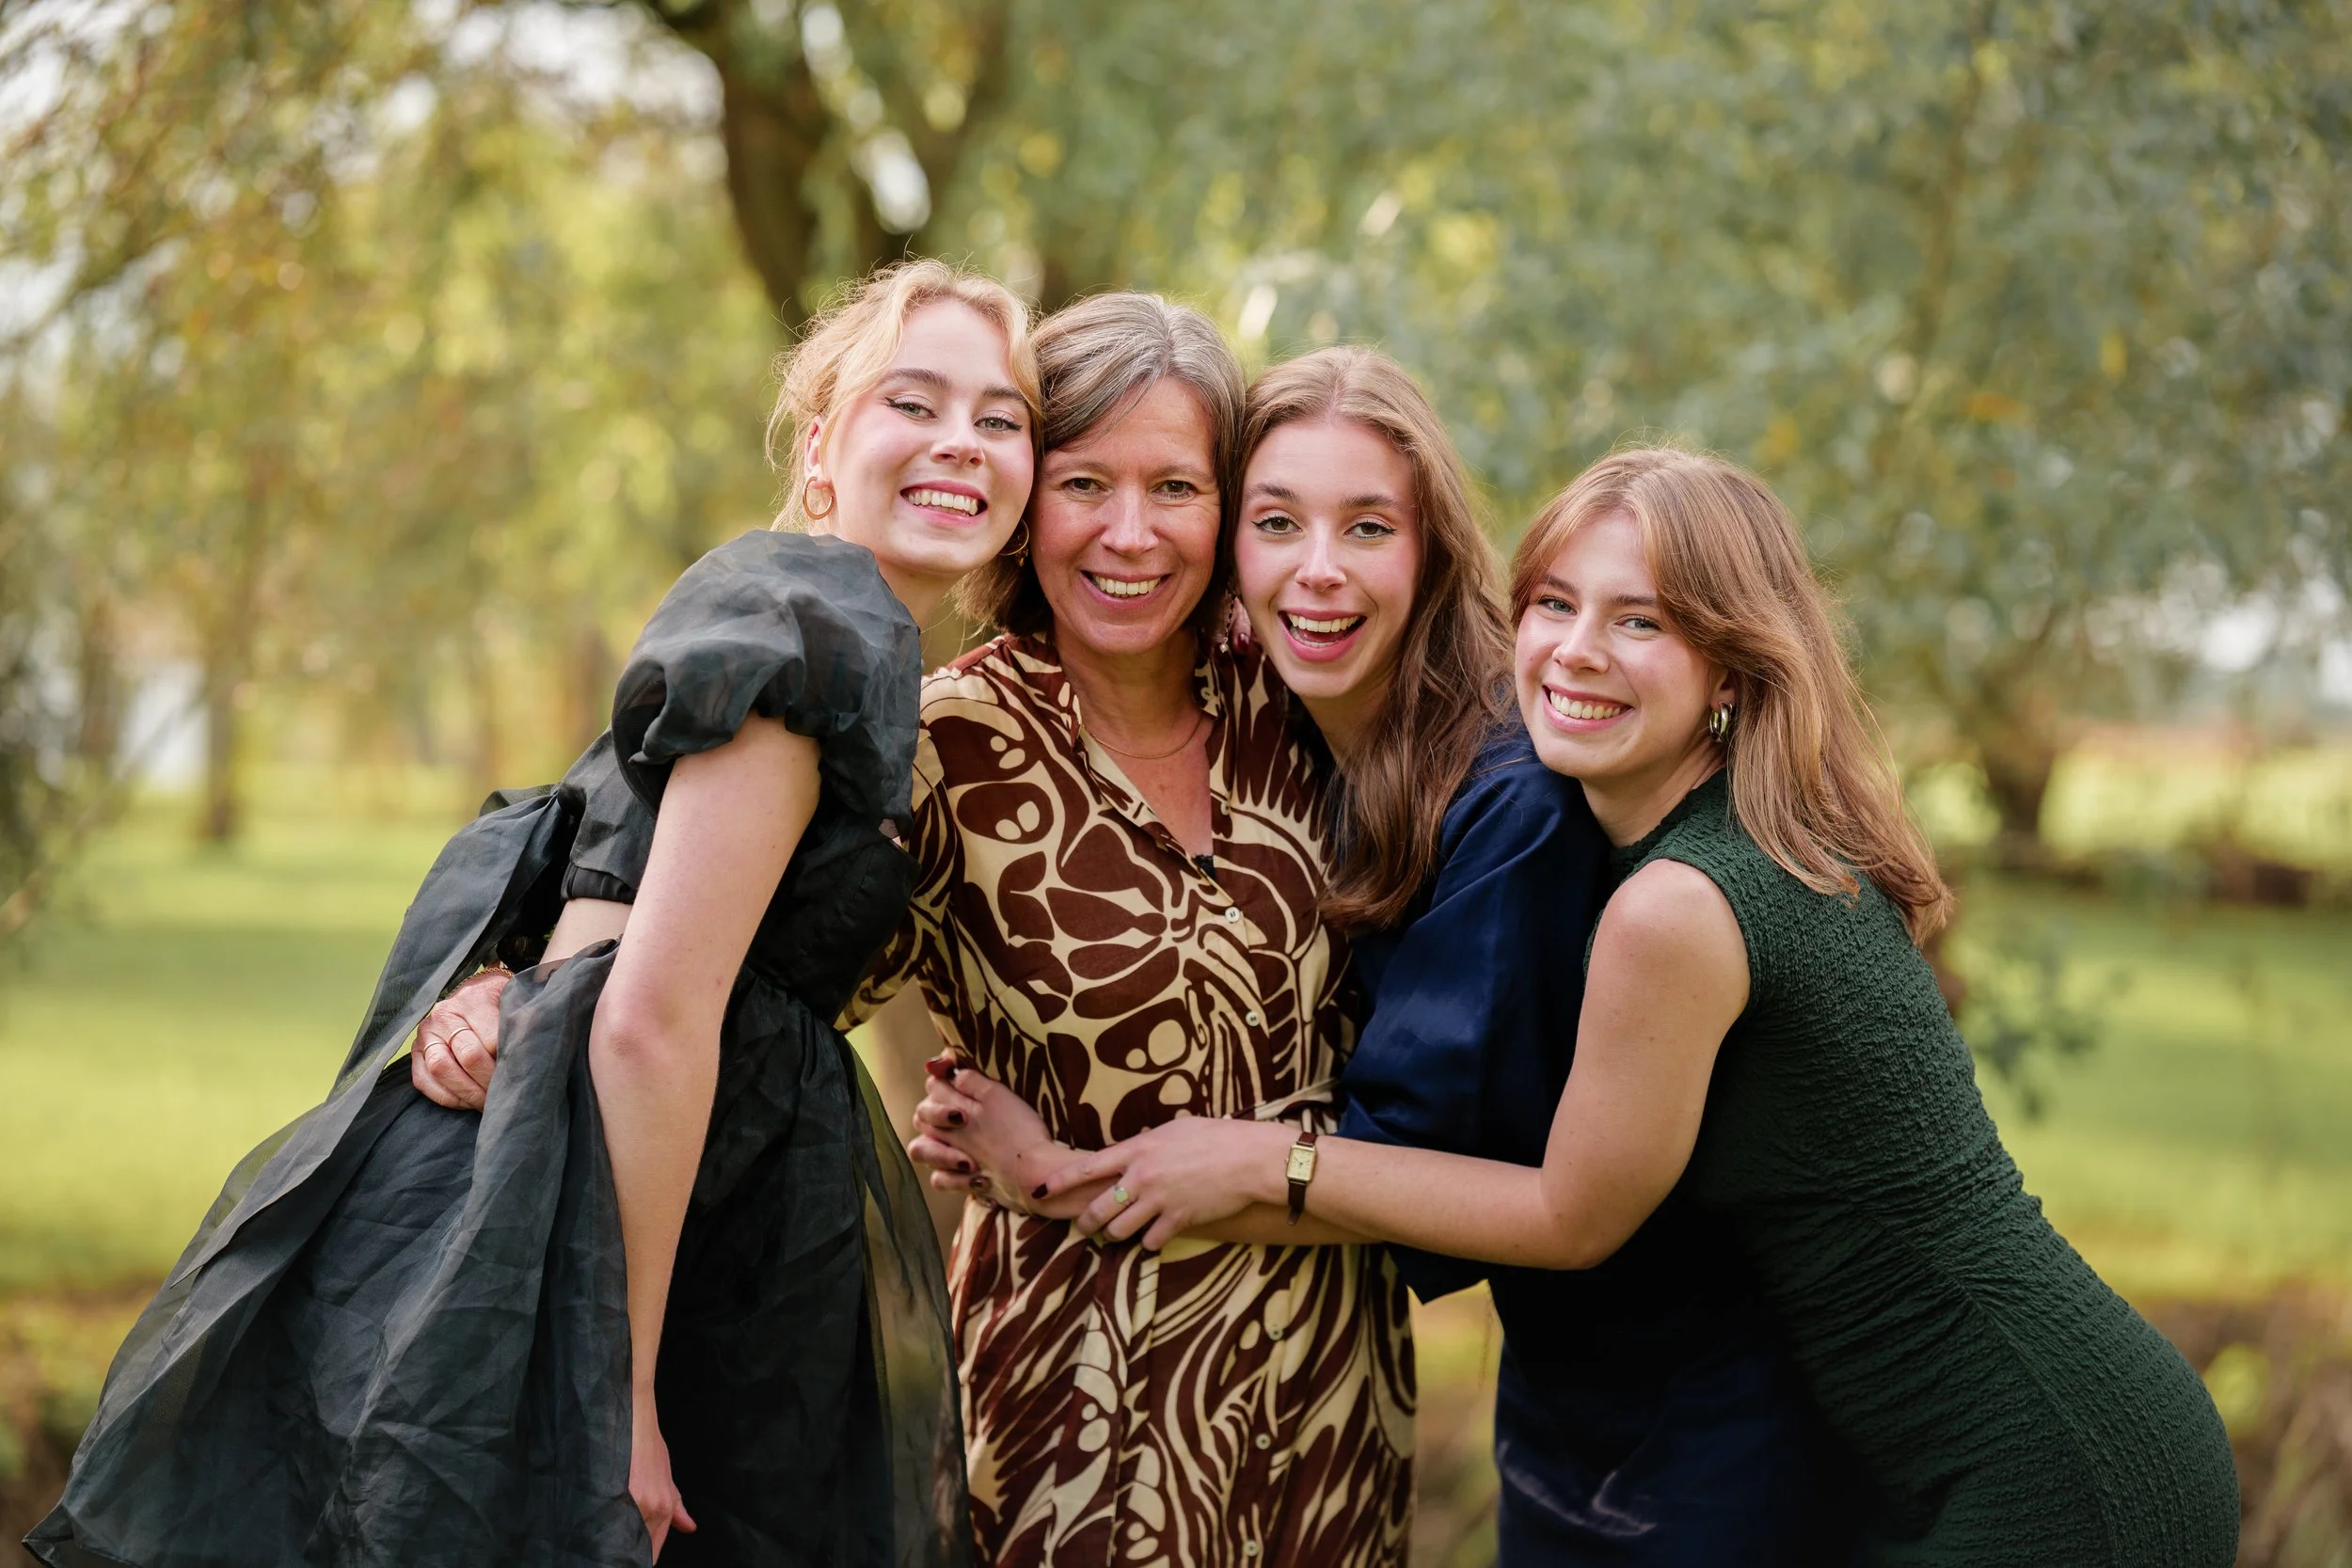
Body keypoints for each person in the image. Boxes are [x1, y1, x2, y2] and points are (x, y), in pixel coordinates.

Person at [1028, 445, 2244, 1567]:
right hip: (1987, 1438)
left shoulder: (1680, 901)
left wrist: (1261, 1160)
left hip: (2054, 1462)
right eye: (1553, 604)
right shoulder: (1704, 836)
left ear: (1729, 663)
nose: (1574, 651)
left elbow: (1568, 1212)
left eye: (1640, 621)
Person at [28, 259, 1040, 1568]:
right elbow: (647, 1020)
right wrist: (609, 1398)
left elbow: (605, 910)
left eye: (1001, 417)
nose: (962, 440)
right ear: (822, 448)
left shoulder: (854, 647)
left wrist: (498, 980)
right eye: (915, 400)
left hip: (675, 1214)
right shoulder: (812, 622)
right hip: (579, 1248)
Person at [411, 293, 1415, 1568]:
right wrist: (513, 984)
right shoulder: (938, 743)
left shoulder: (1308, 706)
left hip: (1330, 1391)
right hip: (1078, 1407)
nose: (1128, 530)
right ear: (1028, 502)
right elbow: (708, 975)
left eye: (1176, 486)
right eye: (1084, 481)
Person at [916, 355, 1849, 1564]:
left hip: (1687, 1387)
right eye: (1276, 522)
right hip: (1569, 1391)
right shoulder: (1287, 736)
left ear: (1431, 553)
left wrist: (1066, 1176)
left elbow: (1426, 1180)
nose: (1316, 566)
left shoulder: (1507, 801)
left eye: (1366, 526)